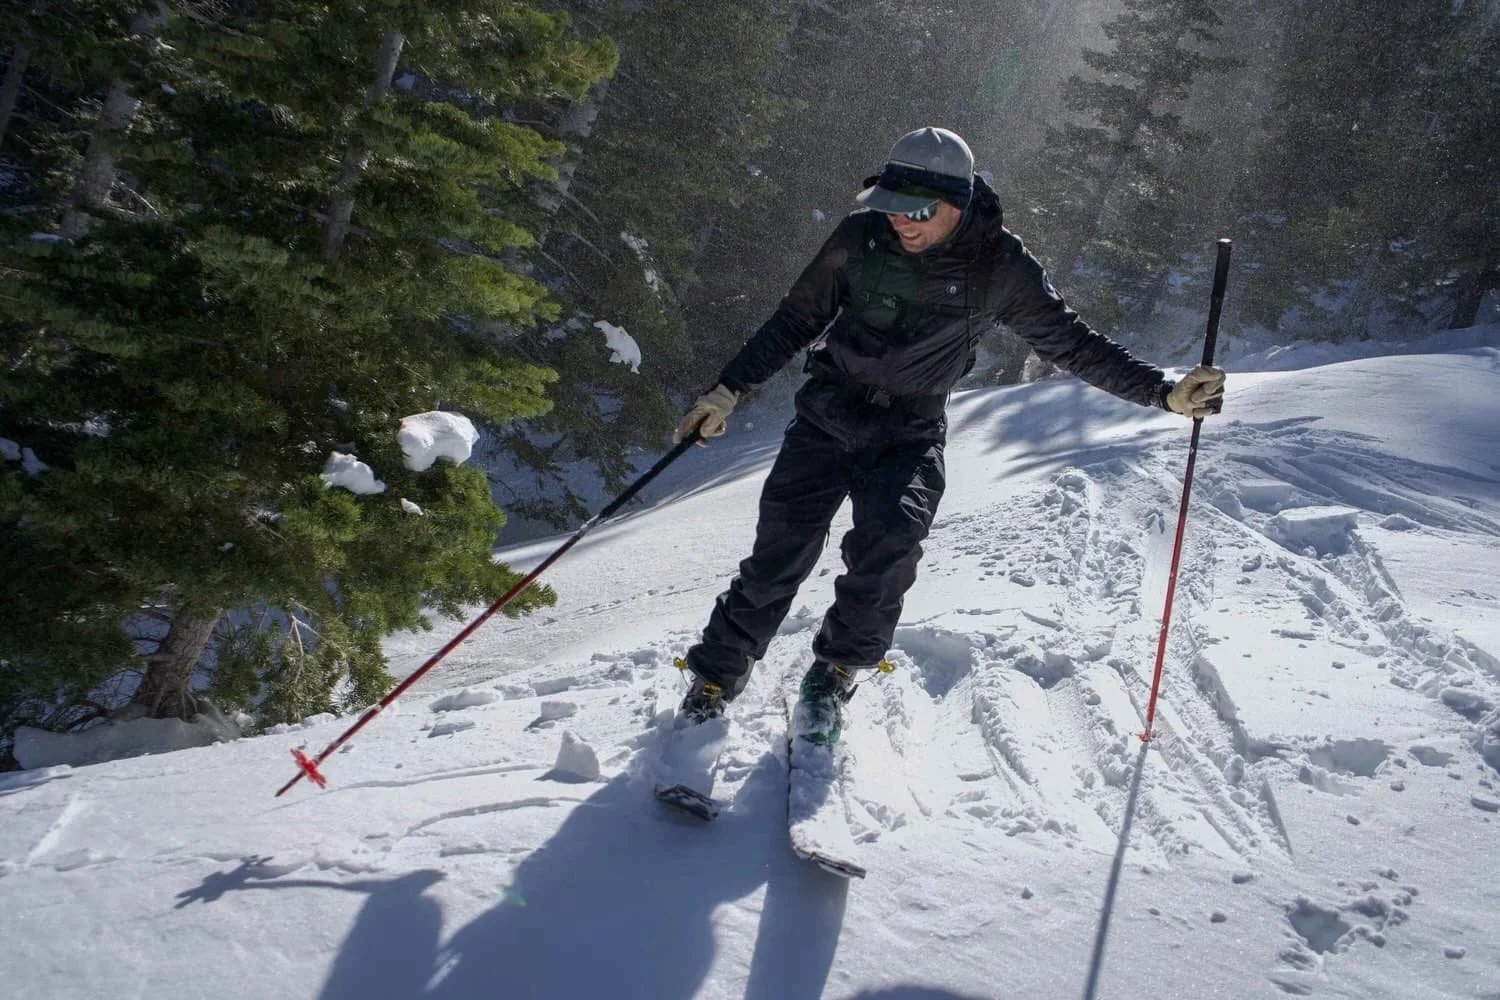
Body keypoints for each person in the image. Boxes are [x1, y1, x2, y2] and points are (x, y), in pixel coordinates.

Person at [672, 127, 1225, 745]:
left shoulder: (1000, 266)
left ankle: (833, 677)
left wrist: (1163, 392)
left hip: (908, 432)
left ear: (956, 204)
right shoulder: (860, 238)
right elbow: (797, 318)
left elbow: (1072, 343)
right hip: (827, 417)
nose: (901, 223)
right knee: (778, 558)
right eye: (889, 206)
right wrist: (728, 390)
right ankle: (715, 679)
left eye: (917, 211)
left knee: (889, 554)